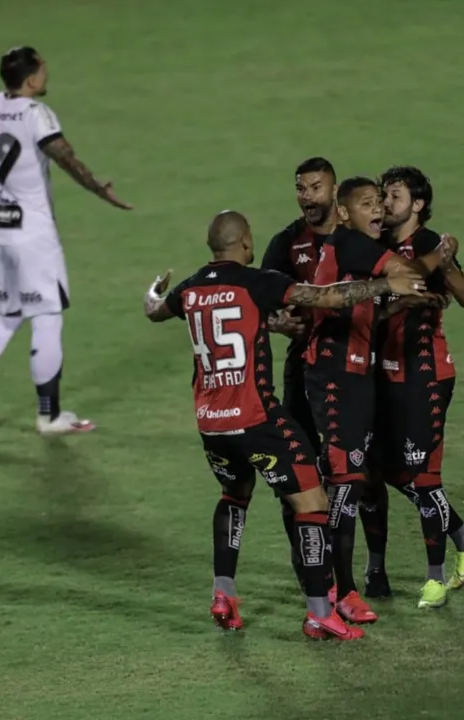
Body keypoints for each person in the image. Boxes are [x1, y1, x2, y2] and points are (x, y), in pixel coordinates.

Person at [143, 210, 425, 639]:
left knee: (234, 497)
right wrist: (388, 284)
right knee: (312, 503)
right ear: (243, 243)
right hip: (256, 419)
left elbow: (153, 311)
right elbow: (327, 296)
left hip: (211, 424)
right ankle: (319, 613)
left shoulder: (190, 289)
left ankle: (224, 594)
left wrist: (153, 290)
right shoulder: (257, 282)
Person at [0, 46, 132, 438]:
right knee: (47, 317)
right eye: (43, 71)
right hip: (32, 234)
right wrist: (101, 189)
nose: (47, 76)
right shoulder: (37, 115)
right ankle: (49, 415)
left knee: (7, 316)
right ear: (31, 79)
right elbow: (64, 157)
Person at [305, 177, 455, 624]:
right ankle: (335, 591)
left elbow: (367, 302)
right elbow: (406, 272)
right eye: (367, 204)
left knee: (352, 482)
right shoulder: (349, 244)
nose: (378, 211)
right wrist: (441, 254)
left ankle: (343, 589)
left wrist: (398, 302)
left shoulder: (355, 249)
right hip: (335, 377)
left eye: (379, 203)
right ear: (346, 212)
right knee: (344, 486)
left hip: (357, 377)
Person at [367, 166, 464, 609]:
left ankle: (435, 578)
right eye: (383, 194)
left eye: (394, 195)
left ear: (417, 204)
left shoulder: (427, 243)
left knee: (423, 475)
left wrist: (447, 261)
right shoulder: (379, 243)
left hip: (426, 372)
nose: (385, 202)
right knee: (387, 471)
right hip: (387, 372)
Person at [260, 157, 341, 579]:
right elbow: (260, 306)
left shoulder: (357, 235)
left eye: (315, 187)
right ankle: (310, 562)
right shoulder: (287, 243)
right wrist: (277, 323)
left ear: (333, 188)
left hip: (355, 368)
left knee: (361, 471)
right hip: (304, 369)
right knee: (300, 467)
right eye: (301, 188)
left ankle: (369, 570)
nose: (307, 196)